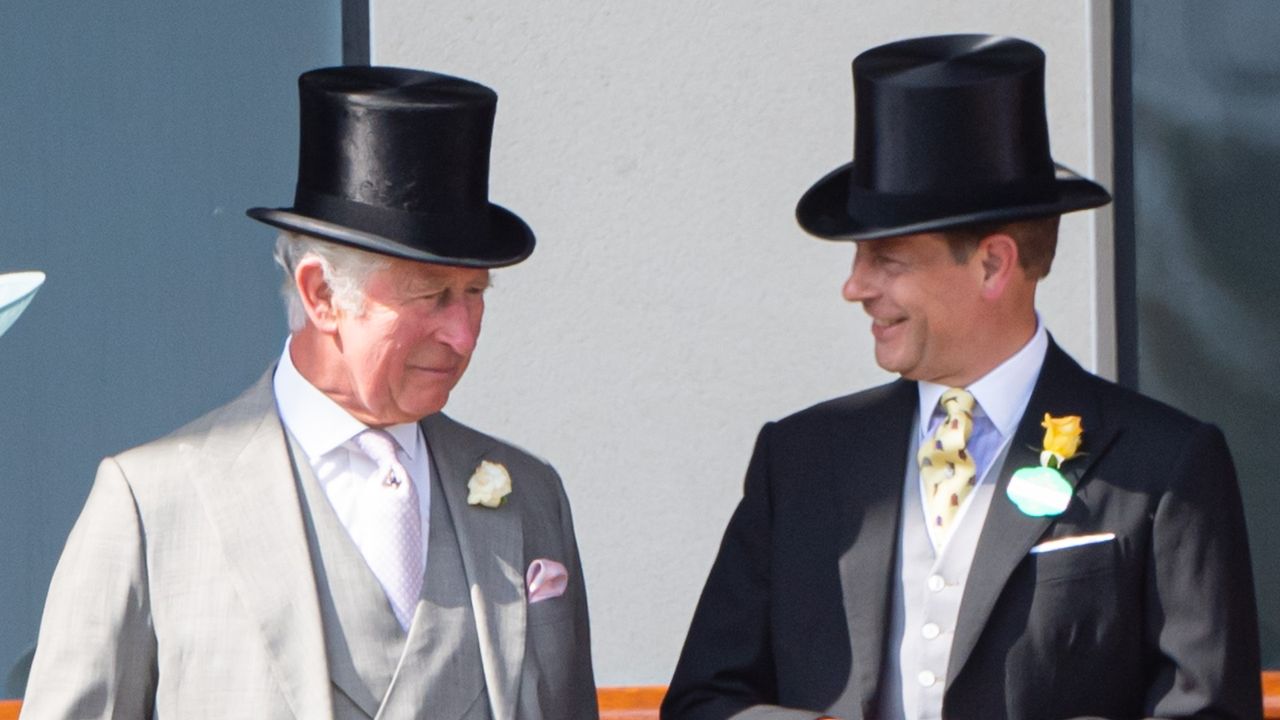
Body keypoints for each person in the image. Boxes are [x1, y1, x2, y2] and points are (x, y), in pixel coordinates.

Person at [663, 34, 1259, 720]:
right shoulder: (799, 459)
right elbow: (702, 703)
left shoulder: (1167, 465)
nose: (855, 287)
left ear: (992, 266)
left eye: (887, 260)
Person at [22, 66, 597, 719]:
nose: (462, 335)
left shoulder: (530, 495)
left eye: (475, 295)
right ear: (322, 294)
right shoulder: (151, 503)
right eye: (431, 295)